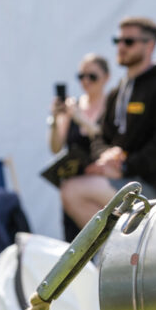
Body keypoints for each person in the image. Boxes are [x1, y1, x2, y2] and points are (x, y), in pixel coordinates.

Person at [60, 17, 156, 227]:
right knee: (70, 188)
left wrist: (124, 167)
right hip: (121, 181)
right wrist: (105, 157)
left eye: (128, 42)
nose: (120, 46)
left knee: (74, 190)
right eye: (117, 40)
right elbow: (101, 137)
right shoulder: (118, 91)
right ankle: (116, 254)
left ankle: (115, 254)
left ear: (150, 45)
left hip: (153, 190)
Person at [48, 53, 110, 240]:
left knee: (104, 237)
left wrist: (80, 119)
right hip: (74, 183)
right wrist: (53, 119)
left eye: (92, 76)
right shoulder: (72, 106)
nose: (86, 81)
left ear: (106, 77)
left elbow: (105, 139)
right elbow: (55, 147)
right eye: (81, 76)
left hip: (102, 184)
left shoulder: (111, 105)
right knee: (74, 243)